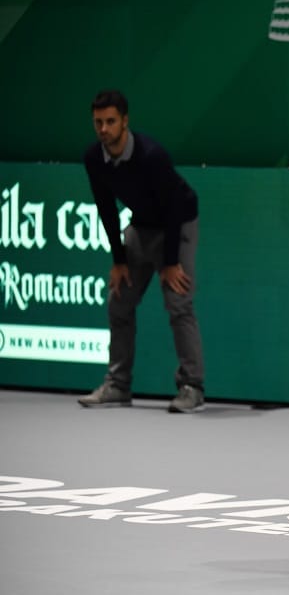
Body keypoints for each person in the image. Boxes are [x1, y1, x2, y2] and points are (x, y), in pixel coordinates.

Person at [77, 89, 206, 414]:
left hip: (178, 222)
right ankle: (118, 386)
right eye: (98, 123)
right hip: (142, 226)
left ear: (125, 122)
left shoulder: (152, 156)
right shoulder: (94, 159)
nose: (103, 129)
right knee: (119, 301)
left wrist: (170, 262)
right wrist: (119, 260)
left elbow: (174, 207)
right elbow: (106, 208)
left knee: (178, 302)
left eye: (110, 122)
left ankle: (192, 387)